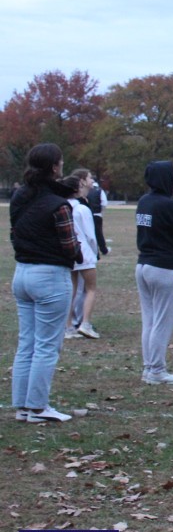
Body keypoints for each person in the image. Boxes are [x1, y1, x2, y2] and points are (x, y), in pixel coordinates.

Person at [10, 143, 82, 423]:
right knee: (47, 345)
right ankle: (38, 407)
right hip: (50, 276)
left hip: (22, 272)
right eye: (60, 162)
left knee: (27, 342)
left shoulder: (20, 196)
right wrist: (78, 252)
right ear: (54, 167)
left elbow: (15, 232)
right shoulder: (58, 205)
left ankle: (23, 406)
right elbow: (70, 245)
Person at [136, 160, 173, 384]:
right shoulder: (168, 205)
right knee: (162, 321)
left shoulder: (144, 201)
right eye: (172, 176)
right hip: (163, 266)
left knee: (149, 320)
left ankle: (149, 367)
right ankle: (157, 370)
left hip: (143, 264)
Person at [62, 169, 100, 339]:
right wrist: (95, 252)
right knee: (90, 288)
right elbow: (90, 236)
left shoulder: (63, 207)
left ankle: (68, 326)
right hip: (84, 252)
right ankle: (85, 323)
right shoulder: (82, 209)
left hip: (69, 253)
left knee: (71, 289)